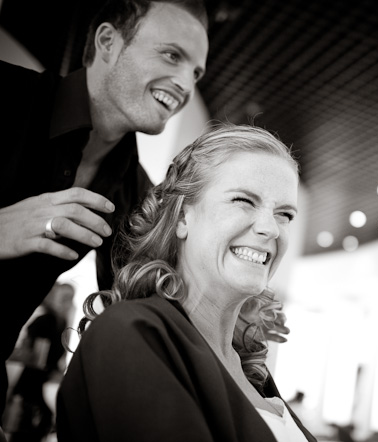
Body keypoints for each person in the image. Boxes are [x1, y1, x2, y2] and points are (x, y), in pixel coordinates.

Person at [0, 0, 209, 426]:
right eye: (172, 55)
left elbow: (151, 304)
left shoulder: (139, 194)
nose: (185, 83)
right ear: (109, 42)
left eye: (196, 72)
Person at [56, 124, 316, 442]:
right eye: (244, 201)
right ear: (181, 217)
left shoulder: (254, 374)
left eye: (285, 214)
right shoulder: (133, 332)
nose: (271, 229)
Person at [3, 283, 75, 442]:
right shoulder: (61, 322)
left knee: (19, 431)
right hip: (43, 383)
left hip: (30, 384)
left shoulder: (45, 320)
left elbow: (37, 357)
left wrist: (12, 353)